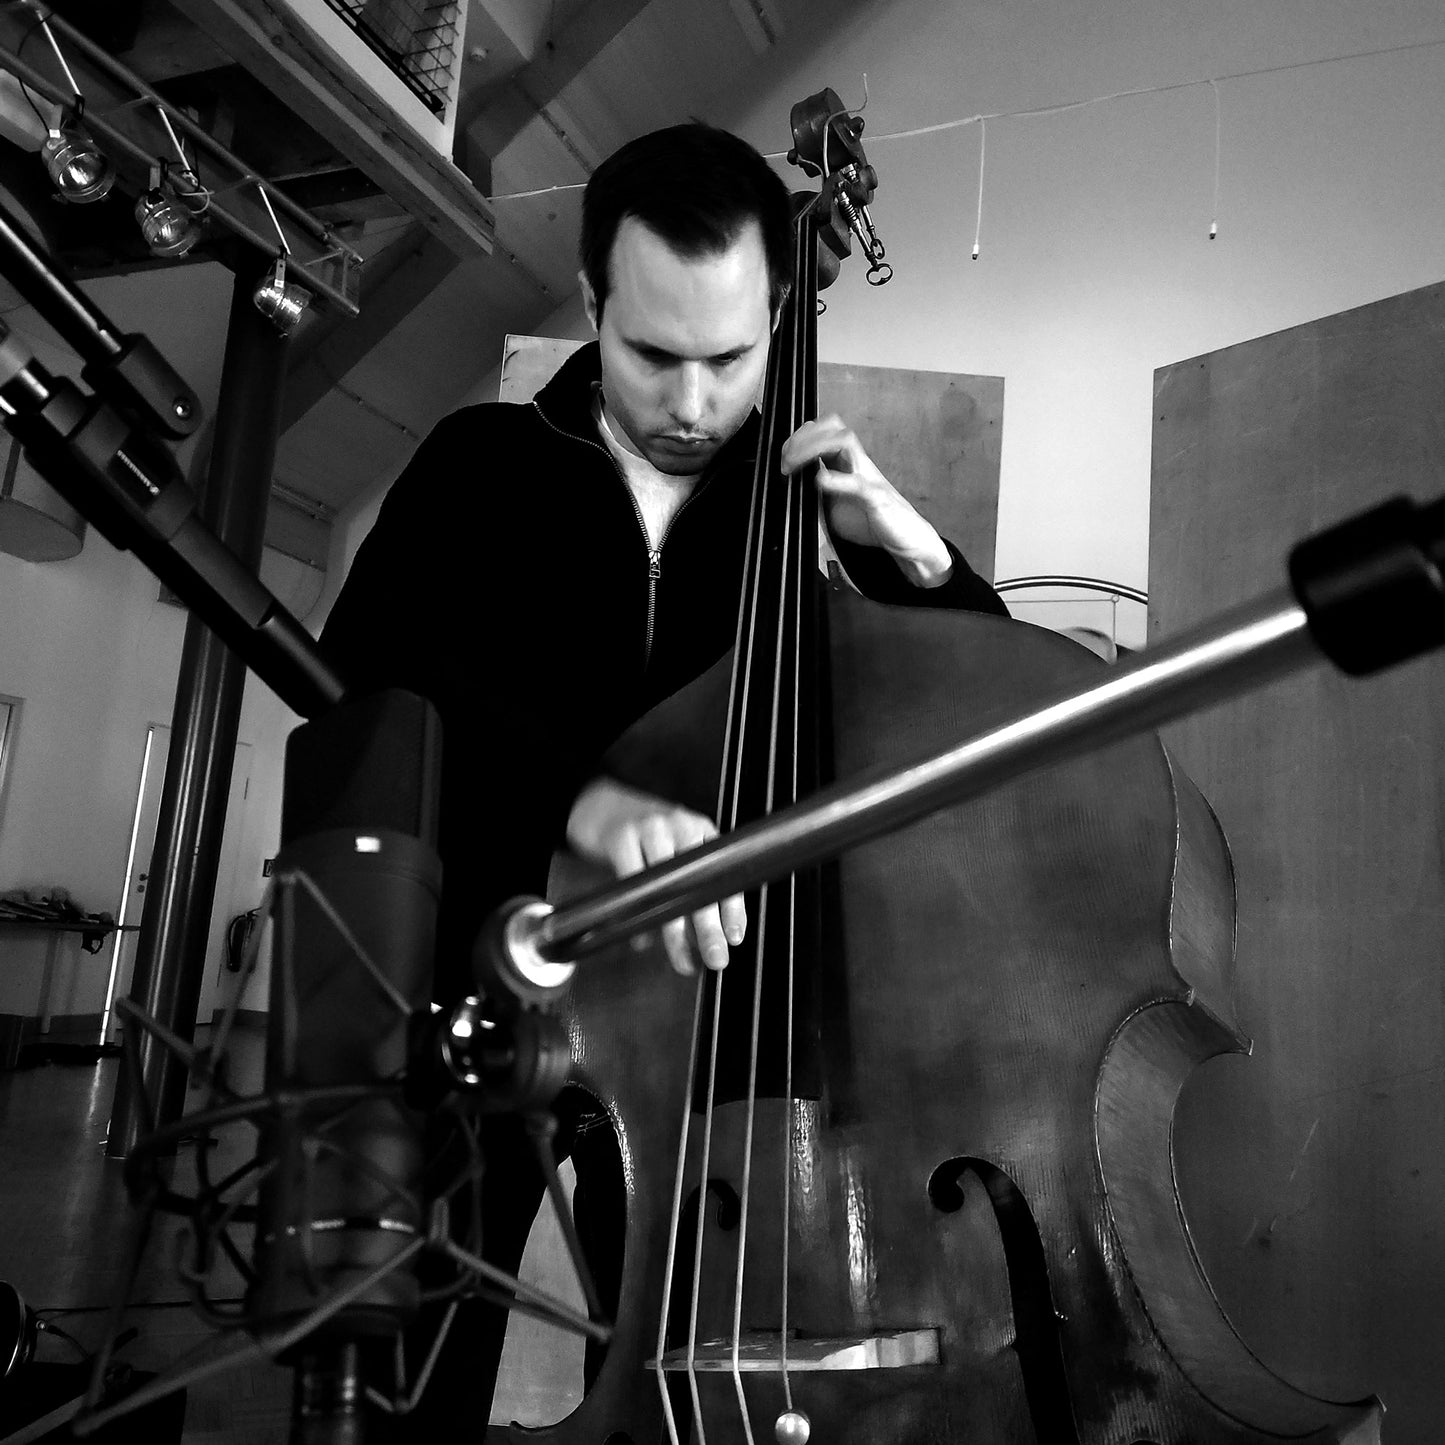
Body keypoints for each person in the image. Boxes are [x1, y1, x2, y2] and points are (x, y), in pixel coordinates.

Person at [320, 119, 1007, 1434]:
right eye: (651, 356)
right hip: (491, 984)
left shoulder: (792, 501)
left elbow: (977, 702)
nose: (692, 406)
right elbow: (366, 664)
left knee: (674, 1379)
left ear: (779, 323)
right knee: (420, 1359)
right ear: (591, 303)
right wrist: (586, 794)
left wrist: (905, 542)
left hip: (718, 1020)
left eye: (731, 361)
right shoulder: (477, 465)